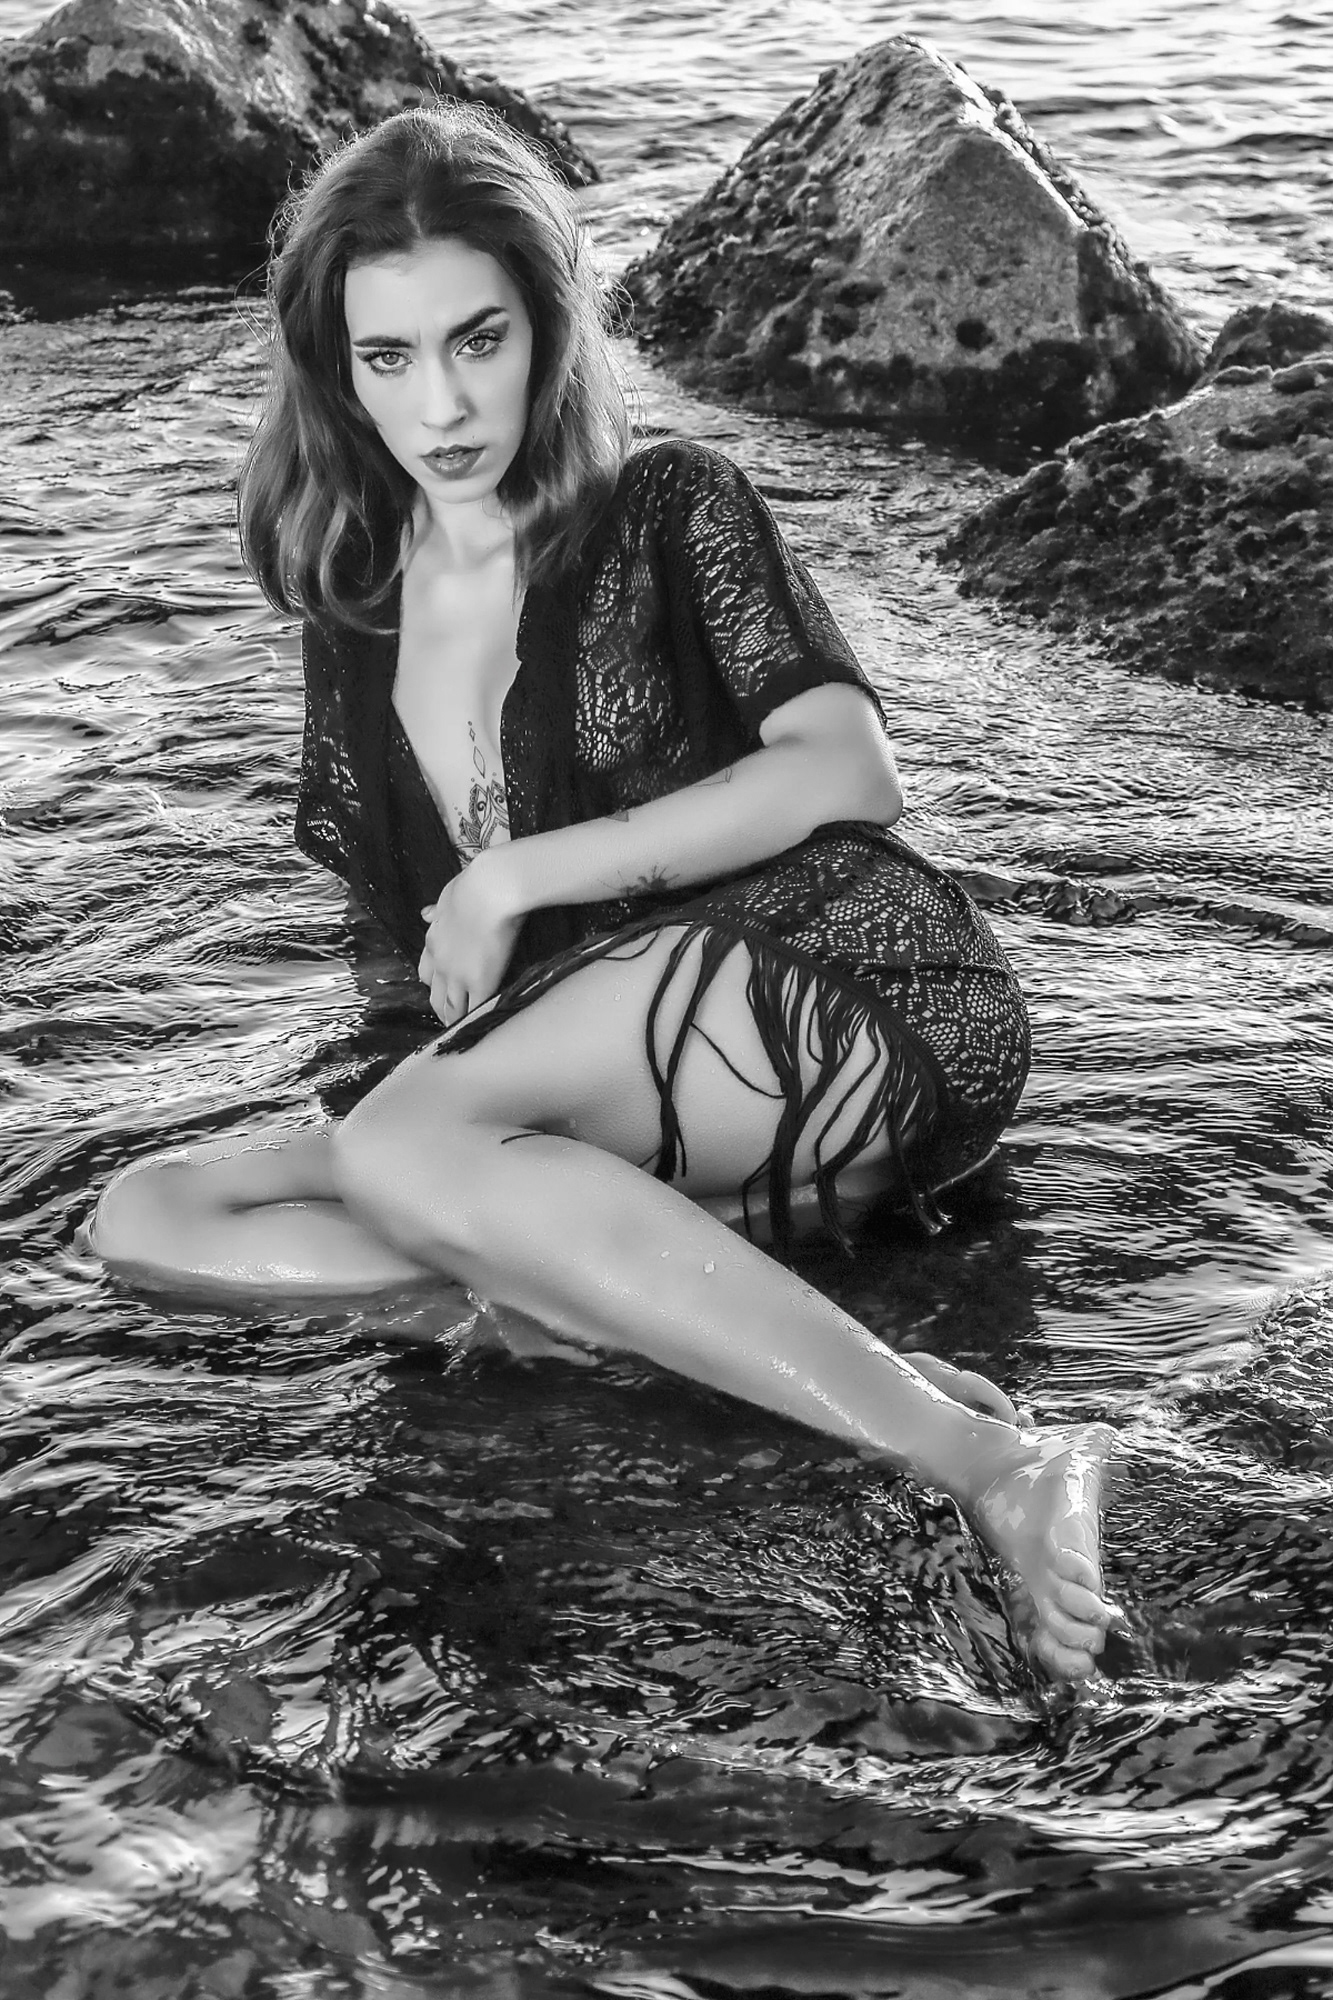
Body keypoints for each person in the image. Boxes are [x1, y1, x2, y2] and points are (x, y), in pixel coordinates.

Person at [91, 104, 1116, 1681]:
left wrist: (521, 872)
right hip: (617, 1099)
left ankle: (991, 1459)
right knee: (152, 1213)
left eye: (479, 340)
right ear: (336, 373)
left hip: (843, 981)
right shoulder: (360, 611)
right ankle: (647, 1294)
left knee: (401, 1148)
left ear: (546, 329)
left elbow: (846, 773)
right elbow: (403, 963)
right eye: (389, 359)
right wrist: (427, 1145)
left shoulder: (665, 506)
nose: (442, 404)